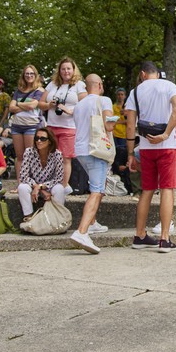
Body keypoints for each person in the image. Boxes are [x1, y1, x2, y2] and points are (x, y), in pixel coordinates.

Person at [125, 62, 176, 253]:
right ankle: (164, 239)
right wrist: (165, 134)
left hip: (146, 147)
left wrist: (131, 154)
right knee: (167, 189)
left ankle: (139, 235)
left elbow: (130, 125)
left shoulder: (135, 92)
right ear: (157, 73)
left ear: (142, 74)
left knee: (146, 191)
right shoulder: (169, 86)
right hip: (167, 146)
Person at [67, 75, 117, 254]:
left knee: (96, 185)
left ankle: (93, 223)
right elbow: (108, 125)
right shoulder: (104, 100)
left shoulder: (79, 105)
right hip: (96, 150)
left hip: (80, 150)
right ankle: (82, 232)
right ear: (100, 85)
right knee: (97, 191)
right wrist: (117, 118)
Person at [41, 57, 87, 190]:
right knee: (50, 157)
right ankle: (50, 184)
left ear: (73, 70)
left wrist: (69, 110)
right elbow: (41, 104)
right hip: (51, 126)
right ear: (59, 71)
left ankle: (63, 186)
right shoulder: (52, 84)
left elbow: (85, 106)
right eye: (63, 69)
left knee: (65, 158)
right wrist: (50, 104)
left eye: (68, 68)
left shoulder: (79, 85)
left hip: (69, 127)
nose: (66, 71)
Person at [17, 127, 66, 221]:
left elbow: (59, 178)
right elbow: (23, 175)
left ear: (50, 141)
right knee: (22, 187)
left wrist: (41, 187)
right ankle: (28, 217)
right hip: (32, 185)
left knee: (59, 188)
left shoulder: (57, 154)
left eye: (43, 138)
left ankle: (58, 218)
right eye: (36, 138)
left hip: (49, 186)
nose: (39, 141)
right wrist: (36, 186)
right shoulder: (29, 152)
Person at [9, 65, 45, 167]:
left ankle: (32, 181)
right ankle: (21, 182)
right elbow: (11, 108)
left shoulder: (39, 90)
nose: (29, 75)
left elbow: (33, 105)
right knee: (19, 156)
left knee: (31, 156)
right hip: (17, 126)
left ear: (35, 75)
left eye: (31, 73)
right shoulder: (18, 91)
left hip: (31, 126)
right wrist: (26, 106)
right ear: (23, 76)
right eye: (27, 73)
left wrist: (18, 104)